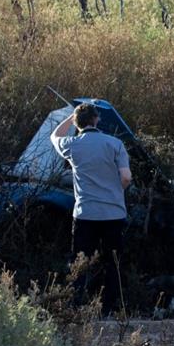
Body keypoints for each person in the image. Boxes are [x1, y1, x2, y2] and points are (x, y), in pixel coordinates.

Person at [50, 102, 132, 314]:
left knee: (80, 262)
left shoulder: (72, 144)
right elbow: (126, 177)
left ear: (78, 124)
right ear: (96, 119)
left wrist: (71, 117)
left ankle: (76, 307)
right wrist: (116, 192)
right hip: (114, 213)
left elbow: (54, 136)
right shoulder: (115, 144)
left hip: (86, 214)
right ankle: (109, 309)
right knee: (113, 263)